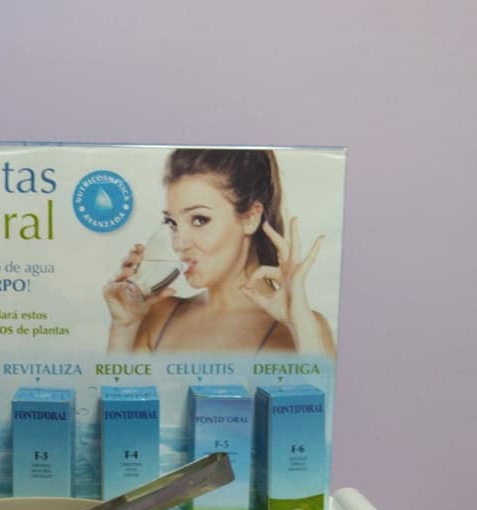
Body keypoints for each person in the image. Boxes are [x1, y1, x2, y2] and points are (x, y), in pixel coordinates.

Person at [103, 149, 336, 356]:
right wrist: (123, 328)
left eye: (199, 219)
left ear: (250, 218)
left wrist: (302, 327)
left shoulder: (303, 327)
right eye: (172, 223)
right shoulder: (159, 318)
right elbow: (117, 392)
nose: (179, 244)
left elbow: (325, 392)